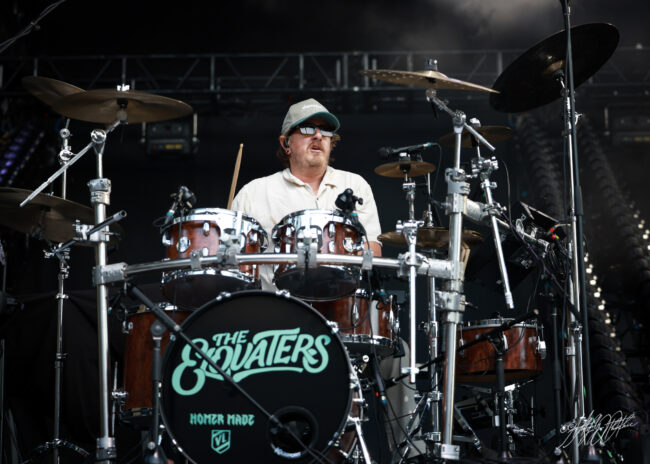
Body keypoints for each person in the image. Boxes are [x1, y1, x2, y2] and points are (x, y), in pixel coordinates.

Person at [231, 98, 382, 290]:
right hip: (276, 305)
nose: (318, 135)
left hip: (340, 303)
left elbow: (373, 251)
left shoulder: (355, 185)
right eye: (308, 129)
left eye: (325, 131)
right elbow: (235, 266)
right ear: (286, 143)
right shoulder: (253, 193)